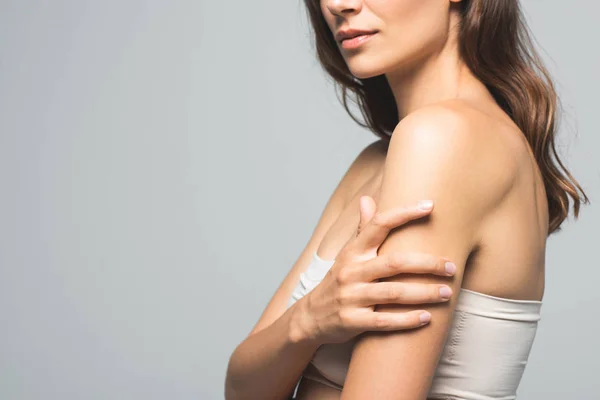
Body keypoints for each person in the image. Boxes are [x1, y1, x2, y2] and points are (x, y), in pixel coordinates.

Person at [225, 0, 589, 399]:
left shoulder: (443, 140)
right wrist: (308, 320)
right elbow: (242, 389)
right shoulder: (375, 161)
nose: (338, 4)